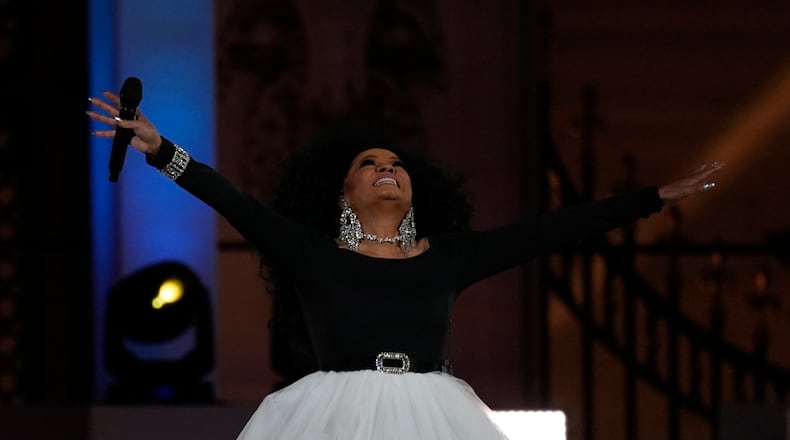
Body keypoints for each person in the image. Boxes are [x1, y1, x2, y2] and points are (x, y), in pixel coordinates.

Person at [87, 90, 724, 439]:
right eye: (368, 163)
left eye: (395, 163)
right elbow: (230, 198)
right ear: (343, 194)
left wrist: (651, 199)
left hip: (435, 420)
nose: (386, 168)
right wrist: (158, 147)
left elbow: (551, 230)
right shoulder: (313, 253)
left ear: (415, 190)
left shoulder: (448, 259)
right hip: (330, 422)